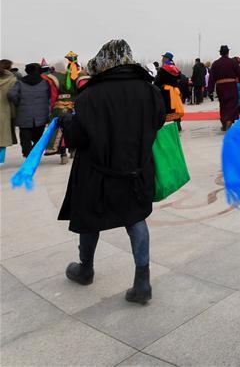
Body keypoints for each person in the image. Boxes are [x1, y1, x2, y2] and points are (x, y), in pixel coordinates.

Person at [59, 39, 166, 305]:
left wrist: (67, 120)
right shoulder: (150, 91)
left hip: (96, 172)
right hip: (136, 170)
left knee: (89, 218)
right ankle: (142, 282)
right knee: (136, 219)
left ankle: (85, 269)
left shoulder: (89, 97)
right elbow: (159, 121)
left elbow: (76, 138)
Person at [42, 51, 90, 162]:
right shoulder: (82, 76)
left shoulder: (56, 78)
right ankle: (72, 150)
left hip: (60, 106)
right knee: (75, 127)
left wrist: (53, 107)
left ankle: (63, 154)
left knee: (60, 129)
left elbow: (53, 95)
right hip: (76, 106)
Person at [8, 63, 51, 156]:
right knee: (38, 136)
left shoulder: (20, 82)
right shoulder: (45, 83)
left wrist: (18, 103)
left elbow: (11, 94)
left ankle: (27, 152)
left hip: (24, 114)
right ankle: (34, 153)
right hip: (41, 113)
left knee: (25, 135)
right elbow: (50, 95)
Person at [207, 45, 240, 132]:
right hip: (232, 87)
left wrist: (210, 90)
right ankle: (228, 124)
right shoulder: (233, 62)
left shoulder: (215, 63)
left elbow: (211, 78)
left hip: (221, 88)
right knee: (231, 106)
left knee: (223, 106)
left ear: (220, 53)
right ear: (228, 52)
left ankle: (224, 124)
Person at [153, 52, 184, 129]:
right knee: (175, 108)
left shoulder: (163, 69)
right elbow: (181, 78)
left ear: (166, 58)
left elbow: (157, 81)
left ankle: (168, 127)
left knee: (167, 109)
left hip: (166, 91)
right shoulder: (175, 68)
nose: (162, 59)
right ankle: (177, 125)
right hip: (175, 91)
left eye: (163, 58)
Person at [0, 59, 18, 162]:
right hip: (5, 113)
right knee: (2, 139)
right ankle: (0, 161)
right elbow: (13, 99)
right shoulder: (12, 80)